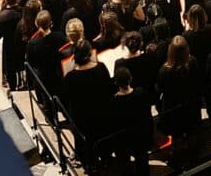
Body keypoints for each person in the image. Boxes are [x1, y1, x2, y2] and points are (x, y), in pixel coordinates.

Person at [63, 39, 114, 169]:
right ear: (90, 53)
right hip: (102, 113)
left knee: (86, 142)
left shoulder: (71, 77)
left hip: (82, 118)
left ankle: (89, 164)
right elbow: (109, 89)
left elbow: (67, 98)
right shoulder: (101, 68)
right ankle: (106, 159)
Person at [157, 36, 201, 169]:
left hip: (173, 106)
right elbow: (198, 80)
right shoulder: (192, 62)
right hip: (190, 103)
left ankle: (177, 156)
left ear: (170, 51)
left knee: (176, 134)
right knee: (191, 130)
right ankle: (193, 155)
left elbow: (161, 88)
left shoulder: (165, 70)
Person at [109, 66, 154, 176]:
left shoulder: (113, 102)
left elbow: (113, 124)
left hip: (123, 139)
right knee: (142, 163)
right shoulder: (141, 93)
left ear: (116, 82)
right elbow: (147, 115)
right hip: (140, 135)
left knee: (125, 165)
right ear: (130, 79)